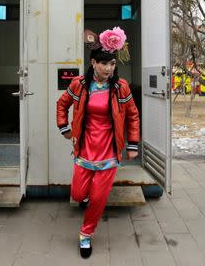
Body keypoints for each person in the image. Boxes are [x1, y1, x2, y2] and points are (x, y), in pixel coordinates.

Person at [56, 27, 140, 259]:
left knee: (99, 197)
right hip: (84, 148)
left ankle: (86, 234)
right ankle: (85, 198)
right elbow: (62, 104)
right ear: (93, 63)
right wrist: (64, 127)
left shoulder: (120, 86)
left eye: (112, 64)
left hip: (109, 151)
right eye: (104, 64)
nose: (108, 69)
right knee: (77, 193)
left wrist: (132, 144)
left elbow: (132, 115)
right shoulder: (80, 85)